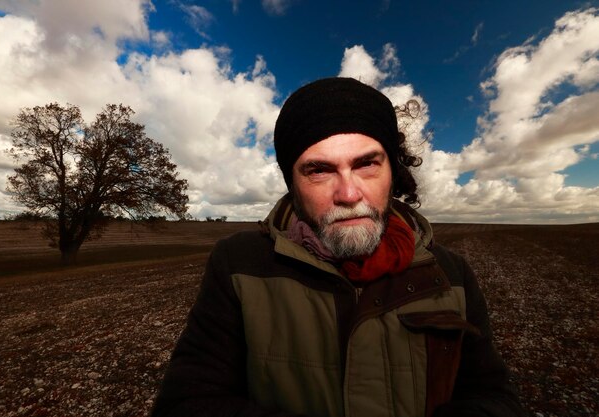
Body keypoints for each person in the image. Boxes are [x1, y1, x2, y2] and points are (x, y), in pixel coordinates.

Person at [151, 77, 526, 417]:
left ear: (392, 173)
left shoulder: (452, 274)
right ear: (292, 185)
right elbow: (185, 402)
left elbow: (494, 396)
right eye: (319, 170)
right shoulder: (238, 265)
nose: (348, 194)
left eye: (366, 165)